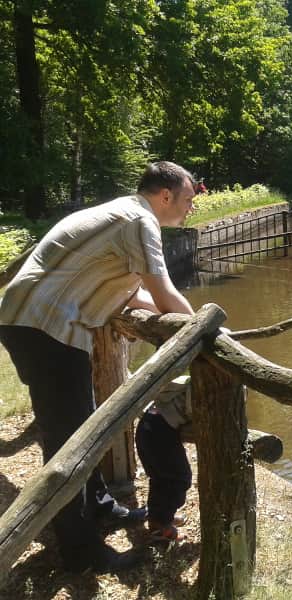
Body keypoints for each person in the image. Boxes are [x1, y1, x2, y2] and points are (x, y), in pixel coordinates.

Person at [0, 161, 197, 573]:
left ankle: (102, 508)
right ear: (166, 195)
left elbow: (138, 294)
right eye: (188, 197)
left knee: (81, 425)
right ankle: (80, 551)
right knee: (70, 444)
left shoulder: (122, 213)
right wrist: (203, 328)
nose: (191, 205)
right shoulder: (140, 220)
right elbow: (163, 295)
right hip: (44, 325)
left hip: (37, 321)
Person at [135, 375, 193, 544]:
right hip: (159, 431)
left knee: (161, 479)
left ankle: (158, 518)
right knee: (178, 479)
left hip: (147, 425)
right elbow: (197, 411)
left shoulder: (186, 381)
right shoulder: (206, 385)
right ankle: (162, 528)